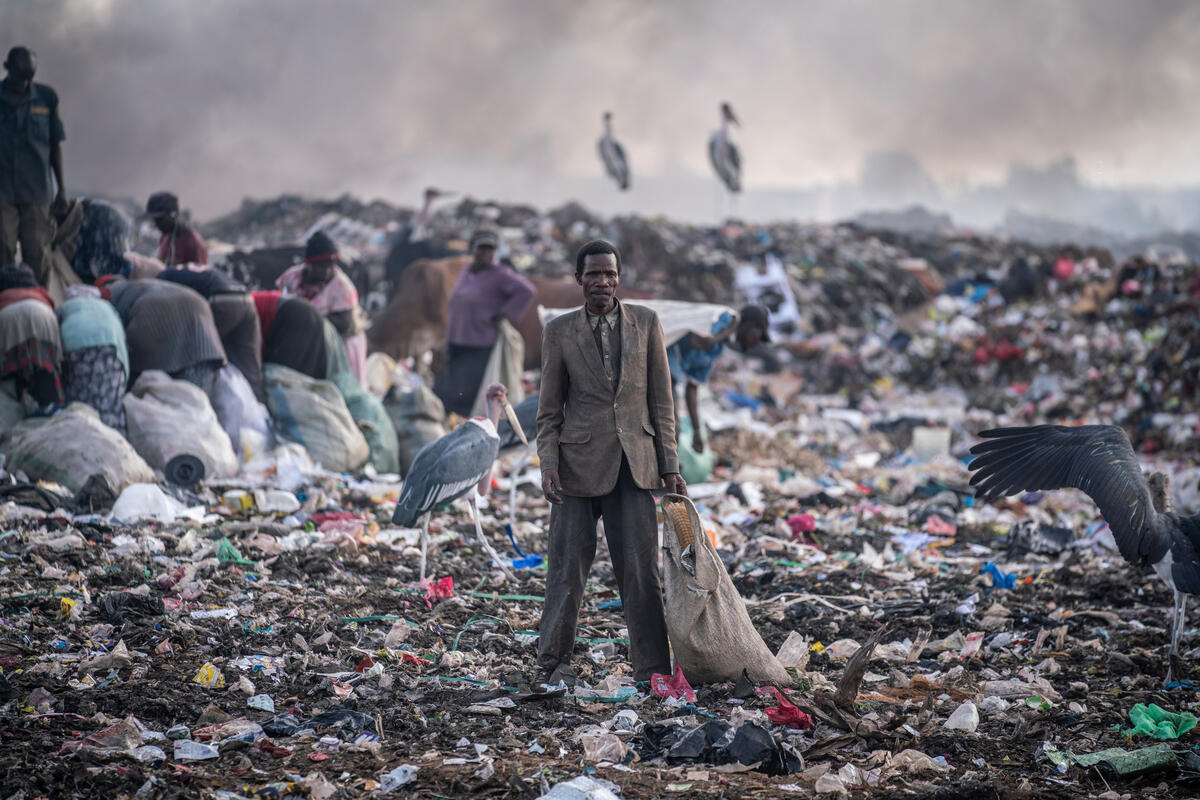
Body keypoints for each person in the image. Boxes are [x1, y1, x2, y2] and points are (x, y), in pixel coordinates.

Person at [536, 239, 685, 685]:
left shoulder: (646, 323)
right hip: (576, 468)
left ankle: (653, 669)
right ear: (579, 280)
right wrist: (547, 464)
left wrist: (671, 466)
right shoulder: (559, 331)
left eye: (610, 274)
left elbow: (662, 402)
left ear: (619, 278)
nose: (602, 281)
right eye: (594, 274)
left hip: (635, 466)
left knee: (642, 573)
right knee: (566, 570)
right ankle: (552, 663)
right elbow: (548, 410)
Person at [433, 229, 535, 417]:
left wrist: (505, 312)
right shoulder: (467, 272)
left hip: (479, 342)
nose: (486, 254)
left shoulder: (500, 274)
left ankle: (465, 426)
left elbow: (527, 291)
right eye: (482, 249)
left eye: (490, 250)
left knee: (463, 393)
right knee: (444, 387)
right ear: (473, 250)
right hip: (458, 339)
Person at [0, 47, 66, 285]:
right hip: (3, 191)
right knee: (3, 249)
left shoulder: (47, 98)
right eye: (19, 76)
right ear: (7, 69)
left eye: (28, 77)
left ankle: (38, 304)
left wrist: (62, 190)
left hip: (37, 191)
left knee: (37, 253)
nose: (24, 83)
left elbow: (54, 145)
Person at [667, 304, 770, 453]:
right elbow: (697, 341)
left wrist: (697, 431)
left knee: (672, 431)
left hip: (669, 376)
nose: (756, 342)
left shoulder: (715, 350)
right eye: (758, 335)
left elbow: (692, 387)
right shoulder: (724, 319)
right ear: (750, 325)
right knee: (669, 429)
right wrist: (728, 331)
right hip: (661, 364)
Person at [154, 262, 264, 402]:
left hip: (218, 298)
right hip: (245, 297)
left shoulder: (159, 280)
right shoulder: (182, 272)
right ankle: (260, 408)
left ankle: (200, 404)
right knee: (249, 361)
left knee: (203, 355)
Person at [102, 276, 226, 396]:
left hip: (158, 315)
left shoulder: (110, 293)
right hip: (203, 334)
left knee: (146, 394)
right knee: (196, 403)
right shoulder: (140, 285)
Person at [277, 231, 367, 383]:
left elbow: (344, 323)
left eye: (330, 266)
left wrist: (308, 317)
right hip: (307, 343)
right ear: (308, 263)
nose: (326, 271)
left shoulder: (341, 287)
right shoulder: (292, 278)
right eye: (320, 266)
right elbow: (278, 300)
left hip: (340, 348)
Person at [57, 285, 128, 433]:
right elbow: (122, 337)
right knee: (112, 401)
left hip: (77, 348)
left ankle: (82, 436)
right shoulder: (108, 306)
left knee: (81, 399)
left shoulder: (67, 306)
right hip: (111, 348)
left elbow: (55, 337)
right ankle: (116, 442)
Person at [0, 262, 63, 414]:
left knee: (8, 375)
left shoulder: (5, 290)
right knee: (45, 369)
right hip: (44, 315)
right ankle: (51, 410)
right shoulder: (39, 291)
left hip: (8, 317)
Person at [145, 191, 208, 267]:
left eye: (159, 220)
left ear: (173, 215)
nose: (156, 224)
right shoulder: (166, 237)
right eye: (155, 220)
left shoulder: (193, 242)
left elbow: (200, 275)